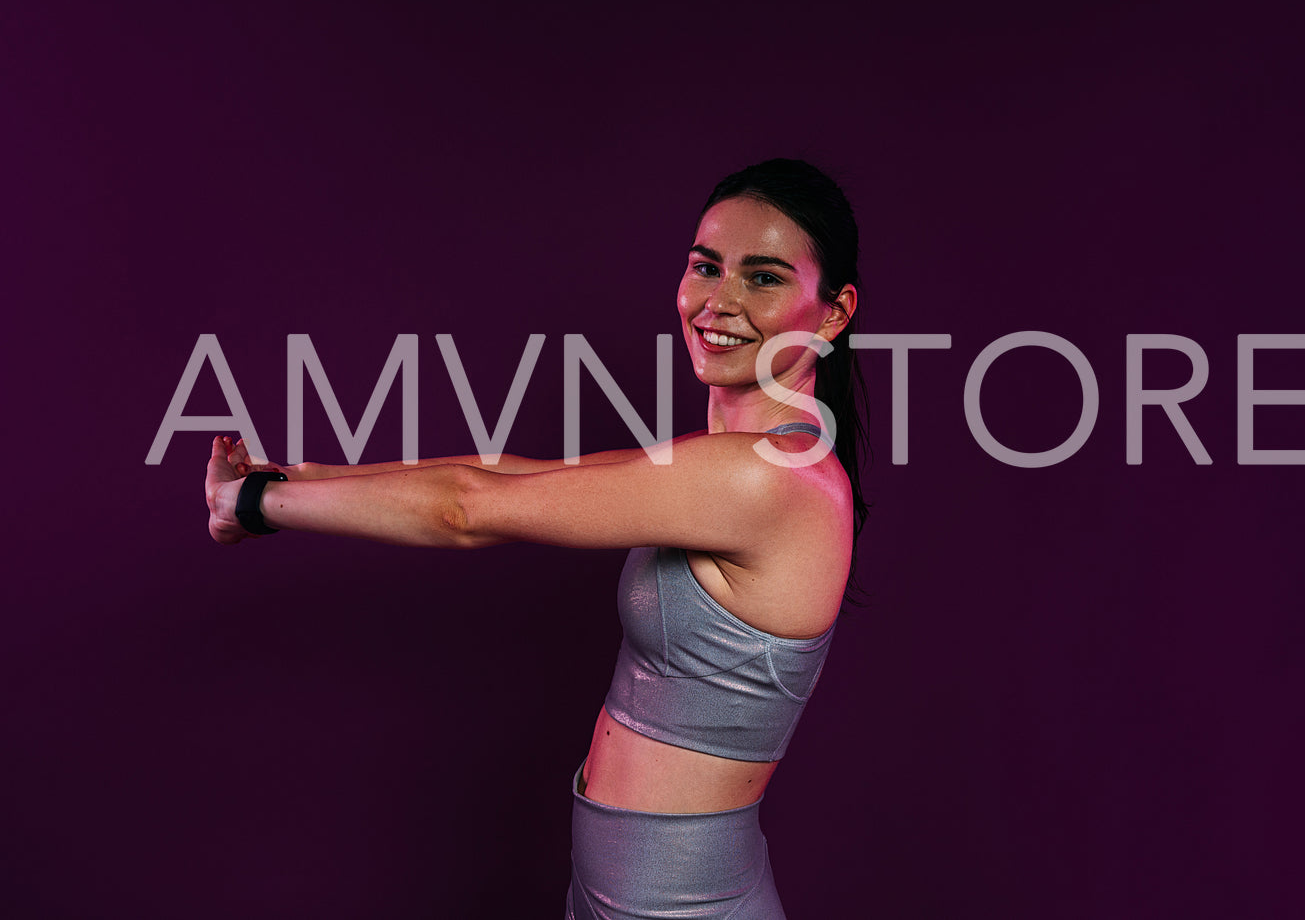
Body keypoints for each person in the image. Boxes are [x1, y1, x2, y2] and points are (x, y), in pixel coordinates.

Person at [203, 158, 869, 919]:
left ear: (831, 313)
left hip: (680, 907)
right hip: (621, 894)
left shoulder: (766, 477)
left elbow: (467, 508)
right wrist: (292, 474)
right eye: (705, 266)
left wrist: (252, 504)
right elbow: (510, 473)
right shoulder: (725, 464)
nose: (717, 301)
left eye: (763, 277)